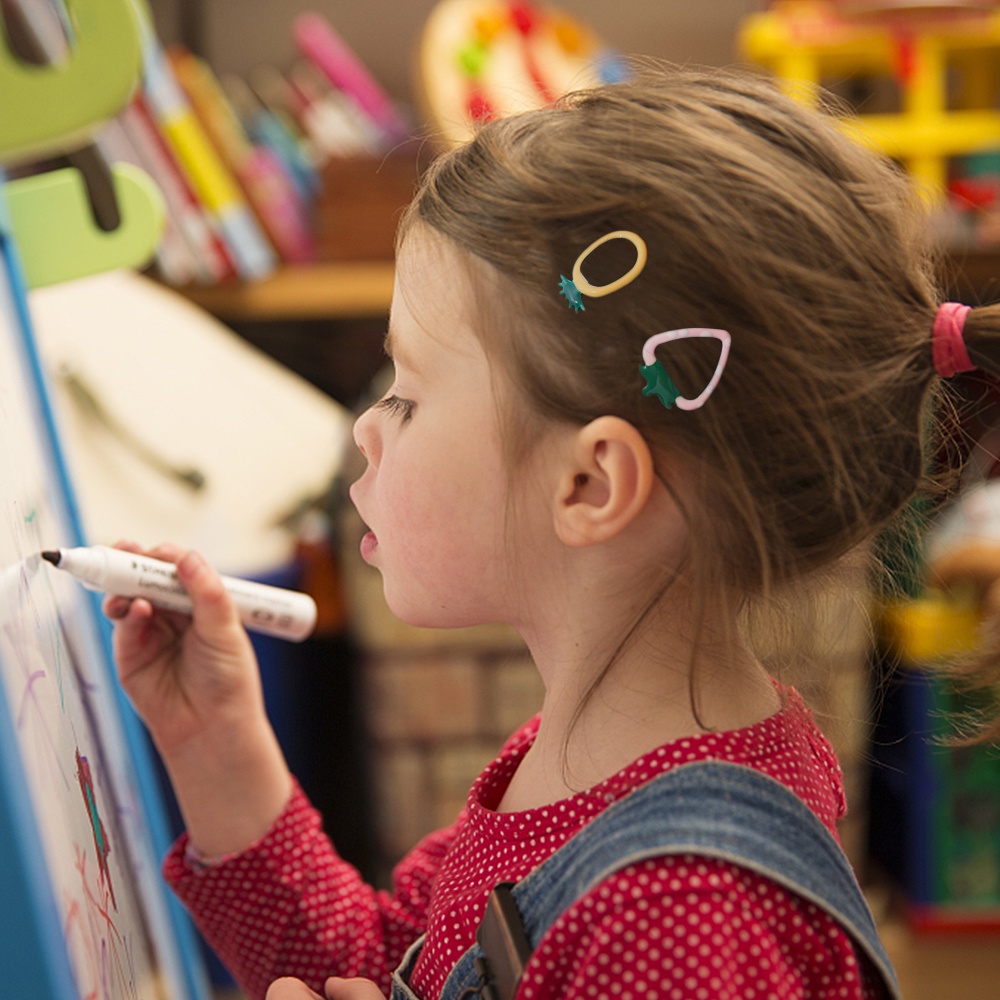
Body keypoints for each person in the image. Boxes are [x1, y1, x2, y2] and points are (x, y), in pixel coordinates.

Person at [106, 63, 1000, 1000]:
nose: (366, 429)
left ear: (589, 482)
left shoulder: (678, 919)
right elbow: (394, 967)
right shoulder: (583, 758)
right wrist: (218, 747)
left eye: (406, 396)